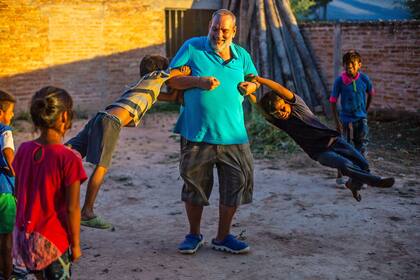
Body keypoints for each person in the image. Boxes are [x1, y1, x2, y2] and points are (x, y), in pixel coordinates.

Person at [167, 9, 259, 254]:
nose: (218, 34)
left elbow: (254, 80)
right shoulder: (192, 47)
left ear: (234, 32)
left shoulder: (241, 55)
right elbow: (171, 80)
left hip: (234, 136)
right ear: (210, 25)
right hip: (198, 134)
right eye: (215, 28)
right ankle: (194, 234)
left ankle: (223, 236)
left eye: (224, 30)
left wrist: (250, 86)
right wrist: (198, 82)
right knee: (194, 186)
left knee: (235, 185)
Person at [66, 55, 190, 229]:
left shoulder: (147, 88)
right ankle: (87, 212)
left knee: (69, 151)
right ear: (158, 71)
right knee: (101, 167)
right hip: (111, 122)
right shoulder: (152, 78)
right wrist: (184, 71)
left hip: (101, 117)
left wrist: (176, 89)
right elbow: (177, 73)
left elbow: (173, 99)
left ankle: (51, 190)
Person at [238, 75, 394, 202]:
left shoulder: (299, 106)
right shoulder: (282, 123)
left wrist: (259, 79)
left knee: (363, 164)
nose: (282, 114)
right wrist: (247, 93)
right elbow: (259, 107)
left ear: (287, 102)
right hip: (320, 152)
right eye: (277, 114)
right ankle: (375, 181)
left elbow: (279, 89)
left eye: (282, 109)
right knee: (345, 164)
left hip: (335, 141)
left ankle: (353, 184)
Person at [12, 86, 87, 280]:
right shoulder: (68, 159)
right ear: (63, 117)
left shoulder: (23, 150)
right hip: (52, 240)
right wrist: (76, 245)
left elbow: (18, 193)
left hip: (25, 238)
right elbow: (73, 208)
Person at [330, 50, 375, 187]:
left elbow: (371, 93)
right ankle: (340, 175)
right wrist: (337, 121)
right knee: (344, 147)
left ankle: (361, 177)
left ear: (359, 65)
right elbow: (332, 100)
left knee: (361, 148)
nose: (350, 68)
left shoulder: (364, 79)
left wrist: (365, 111)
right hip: (345, 120)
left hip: (361, 120)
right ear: (344, 66)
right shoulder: (340, 81)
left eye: (353, 65)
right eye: (347, 66)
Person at [0, 90, 16, 280]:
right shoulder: (5, 130)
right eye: (11, 111)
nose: (12, 115)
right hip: (4, 192)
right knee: (6, 238)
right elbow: (11, 161)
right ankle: (8, 274)